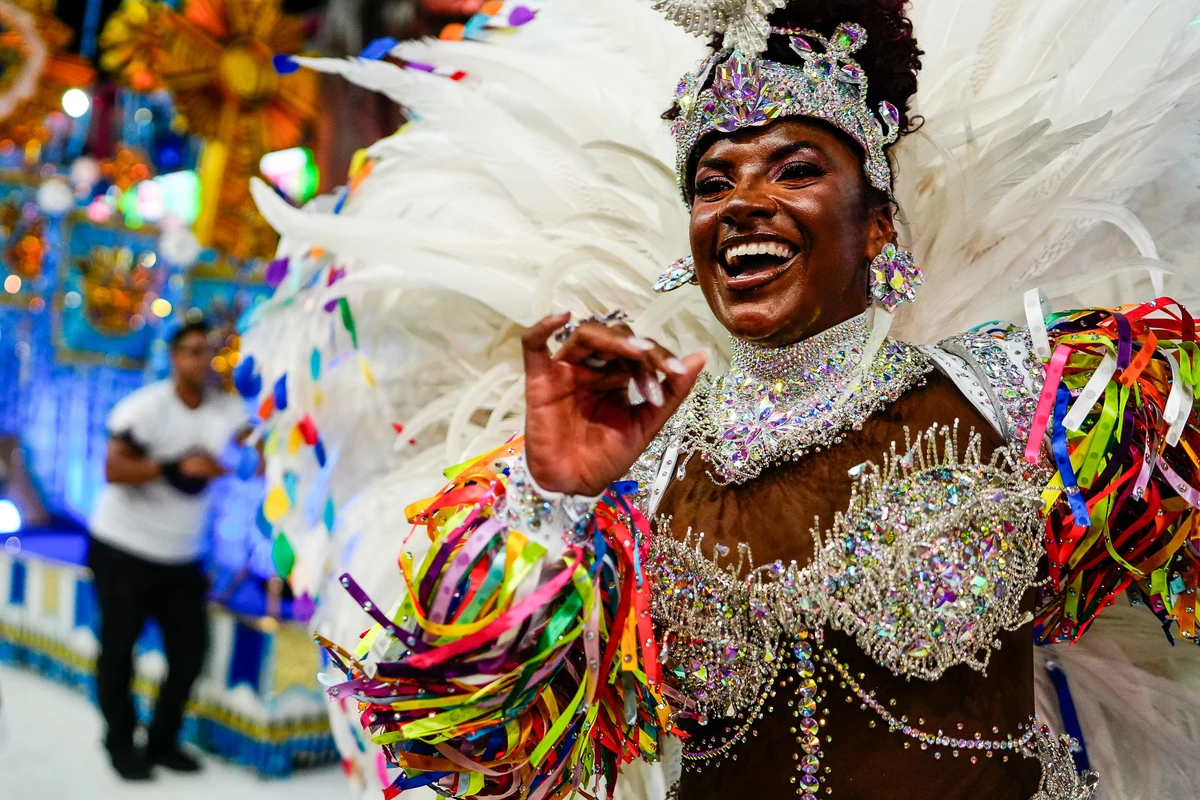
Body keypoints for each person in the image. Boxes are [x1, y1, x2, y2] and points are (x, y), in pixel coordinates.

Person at [239, 1, 1200, 798]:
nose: (743, 201)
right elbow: (468, 753)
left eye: (794, 168)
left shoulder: (1029, 399)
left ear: (877, 225)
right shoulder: (642, 471)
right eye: (712, 183)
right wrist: (555, 500)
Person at [88, 320, 251, 780]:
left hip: (183, 555)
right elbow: (113, 469)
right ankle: (120, 741)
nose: (204, 361)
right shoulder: (145, 408)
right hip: (124, 547)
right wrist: (176, 466)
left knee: (189, 653)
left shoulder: (228, 409)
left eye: (211, 352)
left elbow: (250, 447)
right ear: (175, 357)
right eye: (193, 351)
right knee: (119, 650)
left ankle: (162, 741)